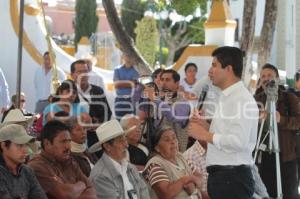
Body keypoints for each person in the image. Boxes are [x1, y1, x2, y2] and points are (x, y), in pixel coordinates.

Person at [188, 46, 259, 199]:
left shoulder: (240, 99)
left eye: (214, 65)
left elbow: (238, 141)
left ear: (228, 69)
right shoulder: (228, 96)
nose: (210, 71)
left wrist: (205, 134)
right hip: (225, 178)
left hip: (231, 179)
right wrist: (205, 126)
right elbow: (227, 134)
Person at [254, 63, 300, 199]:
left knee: (289, 194)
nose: (266, 79)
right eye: (263, 76)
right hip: (264, 157)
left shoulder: (289, 98)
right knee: (266, 194)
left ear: (278, 79)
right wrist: (256, 120)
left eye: (270, 75)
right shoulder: (255, 100)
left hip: (286, 157)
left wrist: (282, 120)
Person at [28, 120, 96, 199]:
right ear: (47, 143)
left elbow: (92, 192)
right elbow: (66, 195)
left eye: (69, 141)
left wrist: (74, 191)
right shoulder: (37, 166)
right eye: (63, 141)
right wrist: (81, 185)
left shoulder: (69, 160)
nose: (68, 146)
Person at [89, 119, 150, 199]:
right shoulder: (100, 176)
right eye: (121, 141)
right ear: (107, 146)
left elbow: (144, 191)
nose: (126, 145)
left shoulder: (130, 167)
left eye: (125, 140)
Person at [143, 126, 202, 199]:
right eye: (167, 140)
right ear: (157, 148)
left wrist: (193, 186)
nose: (173, 142)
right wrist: (185, 180)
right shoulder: (155, 165)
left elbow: (199, 177)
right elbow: (166, 194)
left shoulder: (180, 157)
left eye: (174, 138)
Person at [143, 69, 191, 152]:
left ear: (177, 84)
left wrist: (154, 98)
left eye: (168, 80)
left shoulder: (183, 103)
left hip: (175, 153)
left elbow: (173, 115)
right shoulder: (158, 100)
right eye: (162, 80)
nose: (163, 83)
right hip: (155, 150)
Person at [70, 59, 112, 150]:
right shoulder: (68, 92)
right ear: (72, 75)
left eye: (86, 71)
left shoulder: (98, 91)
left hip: (97, 137)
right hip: (75, 140)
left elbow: (108, 112)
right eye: (80, 71)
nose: (83, 74)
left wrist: (98, 124)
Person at [0, 124, 47, 199]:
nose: (25, 150)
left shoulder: (27, 171)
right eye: (19, 145)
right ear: (4, 145)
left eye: (26, 145)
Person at [113, 53, 140, 119]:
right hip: (119, 99)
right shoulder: (117, 69)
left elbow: (134, 84)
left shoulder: (136, 71)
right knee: (118, 124)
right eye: (127, 55)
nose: (128, 58)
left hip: (131, 100)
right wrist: (130, 83)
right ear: (123, 56)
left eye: (130, 55)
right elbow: (116, 84)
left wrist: (121, 83)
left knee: (131, 123)